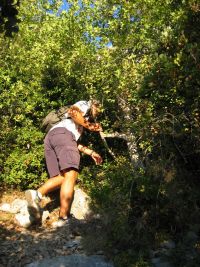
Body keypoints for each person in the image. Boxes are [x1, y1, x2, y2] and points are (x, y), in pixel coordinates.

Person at [25, 100, 103, 227]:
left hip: (52, 138)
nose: (97, 114)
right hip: (62, 135)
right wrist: (91, 126)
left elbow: (73, 142)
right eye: (98, 111)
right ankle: (64, 218)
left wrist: (91, 152)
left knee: (61, 177)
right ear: (95, 105)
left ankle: (36, 194)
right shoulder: (86, 104)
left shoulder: (75, 124)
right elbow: (73, 111)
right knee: (71, 174)